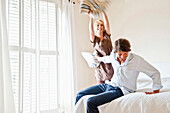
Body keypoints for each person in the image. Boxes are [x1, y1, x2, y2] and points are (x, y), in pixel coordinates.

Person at [75, 38, 163, 113]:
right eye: (120, 54)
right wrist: (98, 59)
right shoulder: (113, 56)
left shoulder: (136, 60)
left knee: (90, 102)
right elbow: (107, 59)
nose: (123, 57)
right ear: (116, 52)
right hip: (109, 85)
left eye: (125, 54)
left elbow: (155, 73)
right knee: (80, 95)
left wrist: (156, 90)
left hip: (121, 90)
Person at [88, 10, 114, 84]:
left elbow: (107, 23)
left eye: (101, 25)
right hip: (100, 66)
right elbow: (91, 30)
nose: (100, 27)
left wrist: (104, 12)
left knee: (112, 85)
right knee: (100, 87)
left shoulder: (107, 35)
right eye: (98, 25)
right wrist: (91, 17)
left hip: (110, 63)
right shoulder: (94, 39)